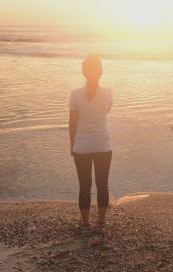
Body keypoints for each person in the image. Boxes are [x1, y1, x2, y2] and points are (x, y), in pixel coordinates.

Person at [69, 54, 113, 233]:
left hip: (82, 146)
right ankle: (102, 223)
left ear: (83, 71)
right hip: (103, 145)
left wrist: (72, 144)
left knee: (84, 185)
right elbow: (106, 110)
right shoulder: (108, 93)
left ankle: (85, 225)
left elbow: (72, 123)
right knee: (102, 184)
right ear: (101, 72)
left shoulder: (75, 95)